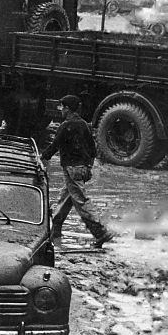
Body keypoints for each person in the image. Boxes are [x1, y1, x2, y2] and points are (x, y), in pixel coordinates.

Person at [40, 95, 115, 248]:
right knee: (65, 200)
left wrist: (41, 159)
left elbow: (54, 146)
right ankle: (54, 233)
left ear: (67, 109)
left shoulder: (65, 126)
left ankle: (101, 232)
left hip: (71, 169)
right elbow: (93, 150)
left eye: (61, 107)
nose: (60, 111)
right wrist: (88, 167)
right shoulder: (84, 125)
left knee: (80, 201)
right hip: (83, 169)